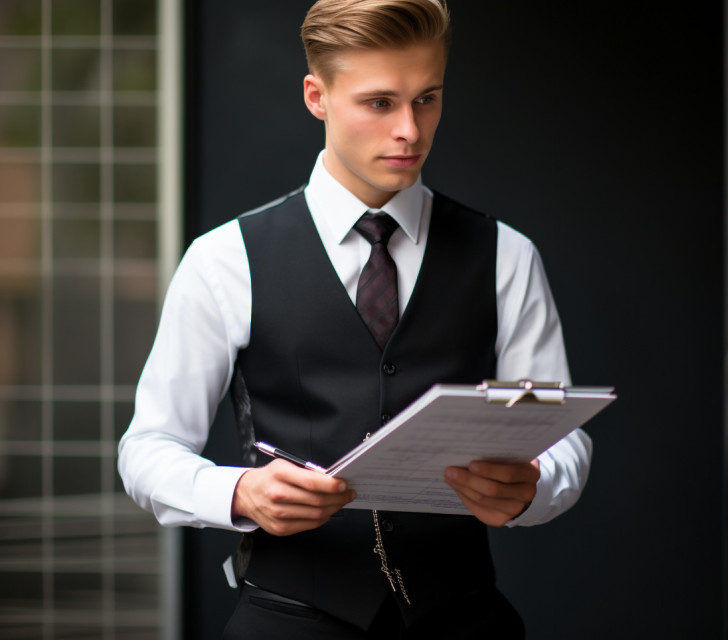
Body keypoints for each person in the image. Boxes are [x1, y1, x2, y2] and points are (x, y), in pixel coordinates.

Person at [118, 0, 592, 637]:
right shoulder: (223, 259)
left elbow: (562, 435)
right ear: (317, 96)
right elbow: (146, 450)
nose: (410, 131)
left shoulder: (507, 255)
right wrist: (239, 493)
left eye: (427, 98)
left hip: (467, 621)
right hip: (286, 621)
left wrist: (535, 484)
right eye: (379, 103)